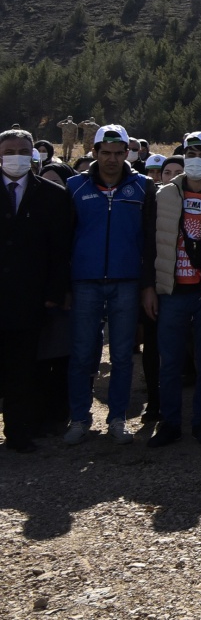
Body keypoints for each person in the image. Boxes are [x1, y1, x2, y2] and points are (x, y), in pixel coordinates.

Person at [141, 131, 201, 448]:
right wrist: (150, 288)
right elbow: (149, 245)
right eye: (190, 153)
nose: (196, 159)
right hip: (171, 292)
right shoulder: (162, 194)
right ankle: (170, 423)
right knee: (169, 363)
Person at [64, 124, 155, 446]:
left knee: (121, 355)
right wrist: (66, 285)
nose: (113, 159)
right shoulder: (74, 186)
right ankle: (79, 418)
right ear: (95, 153)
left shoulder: (143, 187)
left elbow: (149, 242)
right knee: (83, 355)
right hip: (85, 282)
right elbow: (64, 239)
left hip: (127, 283)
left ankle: (117, 418)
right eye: (106, 153)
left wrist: (147, 285)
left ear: (127, 153)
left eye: (119, 153)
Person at [0, 128, 73, 451]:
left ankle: (18, 432)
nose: (16, 155)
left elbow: (60, 250)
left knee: (22, 368)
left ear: (33, 154)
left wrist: (54, 293)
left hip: (28, 298)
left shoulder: (53, 196)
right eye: (9, 150)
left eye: (22, 150)